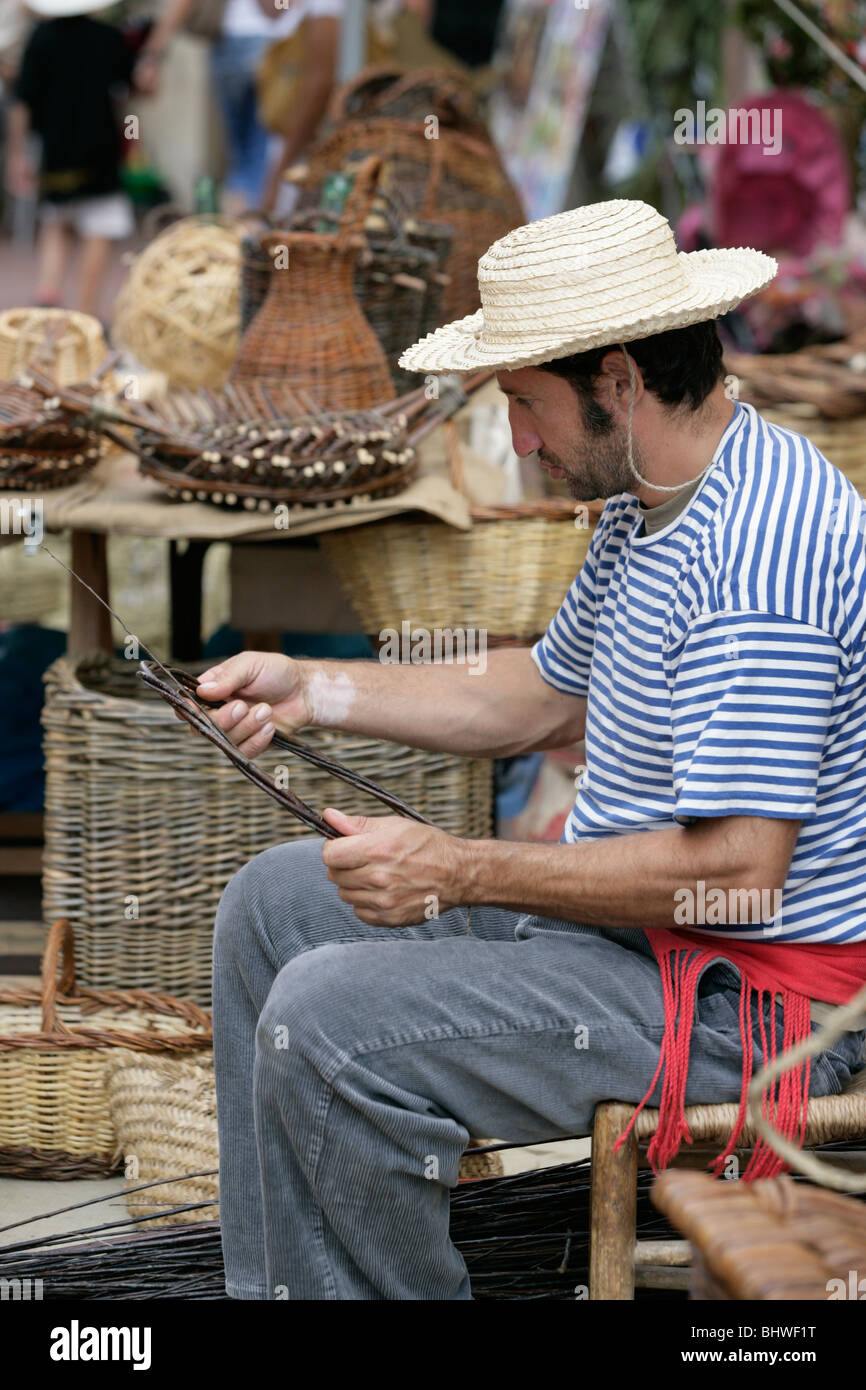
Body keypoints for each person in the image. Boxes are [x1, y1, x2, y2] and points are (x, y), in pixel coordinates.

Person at [194, 199, 866, 1300]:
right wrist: (312, 687)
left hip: (746, 1011)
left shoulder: (760, 559)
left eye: (522, 404)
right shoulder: (650, 501)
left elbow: (737, 877)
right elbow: (546, 698)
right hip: (640, 949)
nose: (515, 440)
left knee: (326, 1019)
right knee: (273, 905)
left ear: (617, 382)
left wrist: (453, 866)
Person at [135, 0, 342, 214]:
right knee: (264, 159)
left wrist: (153, 54)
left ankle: (239, 227)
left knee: (244, 160)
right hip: (271, 44)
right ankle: (252, 229)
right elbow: (274, 10)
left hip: (230, 44)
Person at [6, 0, 136, 317]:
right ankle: (85, 312)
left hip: (57, 150)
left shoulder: (41, 37)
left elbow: (22, 102)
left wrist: (17, 153)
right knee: (100, 226)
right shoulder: (109, 37)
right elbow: (127, 97)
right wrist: (132, 139)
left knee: (56, 220)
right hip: (99, 147)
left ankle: (48, 296)